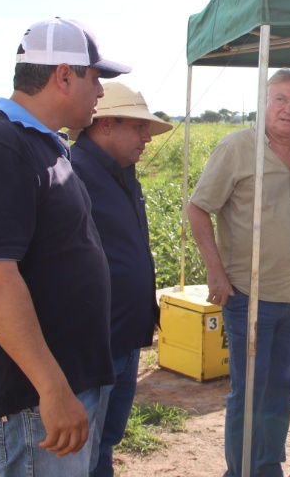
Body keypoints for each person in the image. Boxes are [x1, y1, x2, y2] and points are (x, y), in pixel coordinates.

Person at [0, 17, 130, 475]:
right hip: (32, 399)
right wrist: (52, 388)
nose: (102, 92)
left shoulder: (43, 145)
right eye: (96, 78)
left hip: (63, 385)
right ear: (64, 75)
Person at [187, 68, 290, 477]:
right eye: (280, 99)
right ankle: (240, 471)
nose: (288, 109)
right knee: (249, 393)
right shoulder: (237, 148)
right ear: (265, 102)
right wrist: (215, 273)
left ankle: (267, 466)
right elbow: (197, 208)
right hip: (250, 295)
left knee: (282, 387)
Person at [69, 82, 173, 477]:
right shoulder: (73, 173)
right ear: (106, 125)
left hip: (126, 335)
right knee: (84, 449)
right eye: (139, 127)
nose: (147, 137)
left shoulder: (124, 173)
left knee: (106, 441)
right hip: (94, 342)